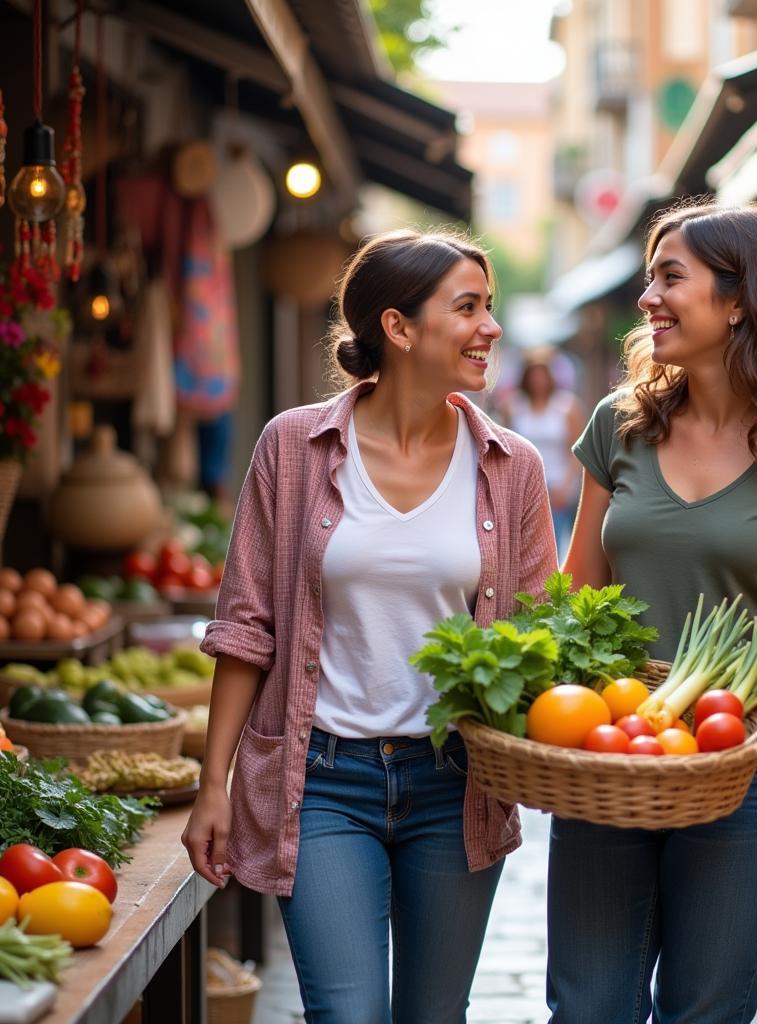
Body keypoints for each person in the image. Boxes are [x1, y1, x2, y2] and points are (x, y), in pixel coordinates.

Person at [181, 228, 558, 1024]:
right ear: (399, 326)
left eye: (489, 306)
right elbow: (246, 626)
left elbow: (536, 637)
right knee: (347, 1015)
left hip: (454, 783)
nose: (491, 326)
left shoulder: (511, 468)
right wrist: (211, 784)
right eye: (468, 307)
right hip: (319, 782)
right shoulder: (294, 447)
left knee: (434, 1015)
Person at [546, 200, 757, 1024]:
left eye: (671, 278)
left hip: (751, 771)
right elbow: (575, 595)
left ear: (740, 298)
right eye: (649, 278)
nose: (647, 298)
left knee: (705, 1008)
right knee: (589, 1008)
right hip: (613, 754)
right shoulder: (619, 427)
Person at [501, 349, 585, 555]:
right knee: (524, 547)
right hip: (524, 484)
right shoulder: (514, 406)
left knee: (553, 546)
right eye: (533, 374)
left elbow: (577, 450)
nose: (538, 380)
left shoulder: (566, 406)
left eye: (542, 374)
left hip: (557, 486)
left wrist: (565, 487)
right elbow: (506, 448)